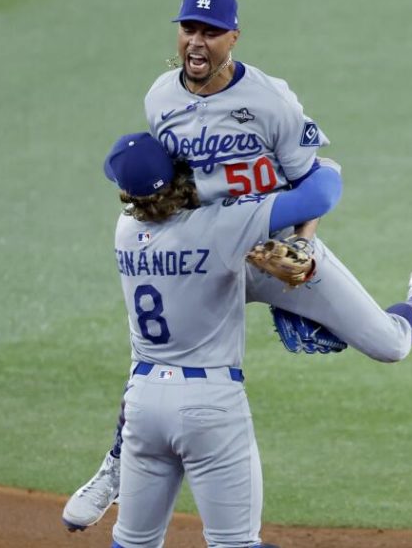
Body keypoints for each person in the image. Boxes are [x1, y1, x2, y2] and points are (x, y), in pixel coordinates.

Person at [62, 0, 412, 531]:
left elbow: (316, 180)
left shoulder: (269, 101)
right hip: (203, 252)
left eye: (211, 32)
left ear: (234, 37)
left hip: (272, 249)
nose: (197, 41)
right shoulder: (160, 99)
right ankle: (118, 463)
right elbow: (166, 184)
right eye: (189, 29)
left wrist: (301, 244)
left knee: (389, 345)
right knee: (156, 350)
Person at [103, 131, 351, 547]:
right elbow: (320, 196)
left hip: (143, 402)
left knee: (132, 543)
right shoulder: (223, 225)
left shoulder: (125, 230)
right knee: (235, 543)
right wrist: (315, 164)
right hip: (209, 404)